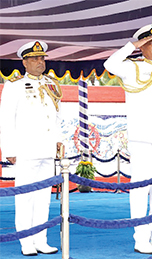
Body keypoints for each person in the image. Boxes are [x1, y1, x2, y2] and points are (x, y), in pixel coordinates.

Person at [103, 24, 152, 254]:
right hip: (143, 136)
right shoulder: (131, 67)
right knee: (141, 188)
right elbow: (109, 65)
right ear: (142, 45)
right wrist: (131, 47)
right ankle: (140, 238)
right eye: (151, 43)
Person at [0, 40, 62, 256]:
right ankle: (26, 242)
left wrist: (58, 141)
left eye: (42, 57)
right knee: (25, 198)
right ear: (24, 62)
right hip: (26, 151)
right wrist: (9, 150)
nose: (40, 61)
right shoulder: (14, 86)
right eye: (34, 58)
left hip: (46, 150)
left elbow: (55, 117)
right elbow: (6, 119)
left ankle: (41, 239)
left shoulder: (52, 84)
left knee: (43, 198)